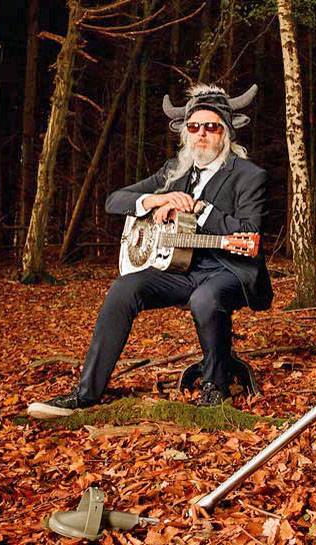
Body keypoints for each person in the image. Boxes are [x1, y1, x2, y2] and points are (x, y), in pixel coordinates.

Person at [27, 84, 273, 417]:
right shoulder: (175, 172)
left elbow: (249, 232)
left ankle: (215, 387)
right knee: (124, 288)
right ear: (185, 132)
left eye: (211, 127)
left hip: (231, 269)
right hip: (182, 268)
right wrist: (158, 200)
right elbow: (115, 200)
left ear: (226, 133)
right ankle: (86, 393)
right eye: (194, 127)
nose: (202, 134)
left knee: (206, 298)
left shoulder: (249, 175)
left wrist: (198, 210)